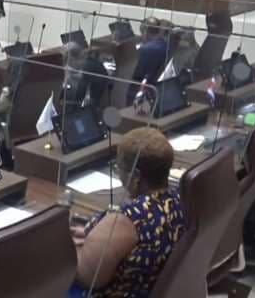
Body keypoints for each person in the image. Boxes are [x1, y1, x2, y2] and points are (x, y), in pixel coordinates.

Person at [70, 127, 185, 297]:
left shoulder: (129, 220)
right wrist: (93, 236)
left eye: (119, 169)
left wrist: (67, 250)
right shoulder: (179, 200)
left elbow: (87, 278)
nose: (120, 176)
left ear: (136, 176)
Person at [126, 17, 169, 104]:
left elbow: (135, 74)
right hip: (154, 85)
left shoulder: (146, 50)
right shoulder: (165, 45)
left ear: (145, 32)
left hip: (139, 88)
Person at [62, 42, 109, 112]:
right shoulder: (87, 60)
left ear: (72, 59)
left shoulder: (87, 65)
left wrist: (68, 73)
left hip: (96, 94)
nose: (69, 65)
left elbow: (78, 77)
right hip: (96, 88)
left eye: (69, 62)